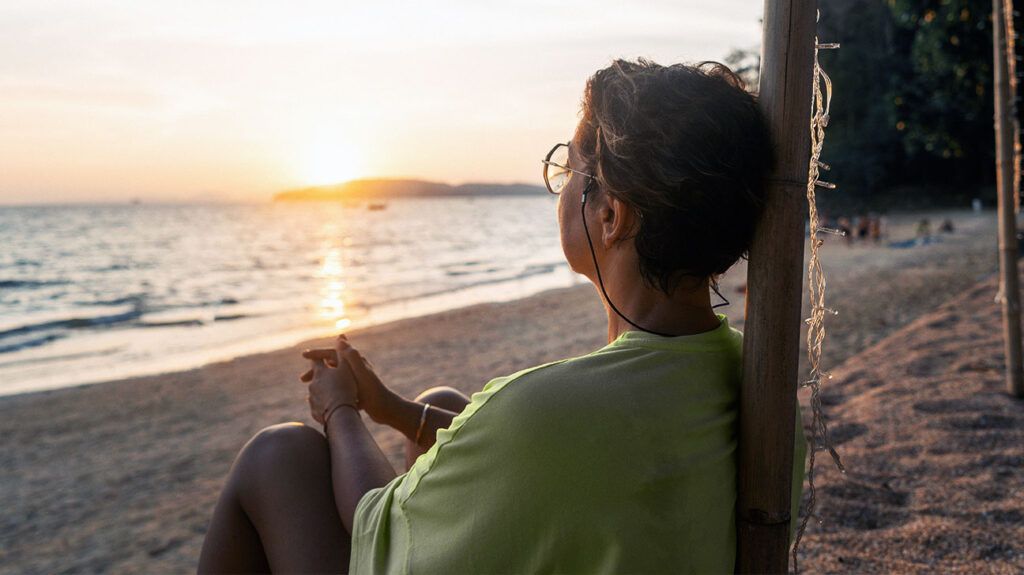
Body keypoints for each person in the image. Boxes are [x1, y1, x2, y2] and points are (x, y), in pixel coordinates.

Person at [197, 58, 806, 574]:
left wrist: (341, 411)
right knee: (440, 403)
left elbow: (372, 525)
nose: (561, 188)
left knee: (277, 454)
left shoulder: (548, 412)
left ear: (612, 216)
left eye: (570, 168)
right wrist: (389, 409)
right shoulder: (754, 389)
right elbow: (546, 464)